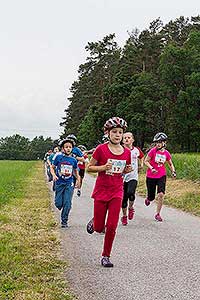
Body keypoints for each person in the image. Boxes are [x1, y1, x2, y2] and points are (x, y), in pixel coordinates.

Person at [87, 117, 132, 268]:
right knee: (99, 228)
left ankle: (106, 256)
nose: (118, 135)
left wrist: (127, 170)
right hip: (101, 190)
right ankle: (95, 221)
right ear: (108, 133)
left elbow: (125, 170)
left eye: (120, 132)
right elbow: (90, 168)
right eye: (114, 132)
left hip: (117, 191)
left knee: (112, 225)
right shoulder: (101, 149)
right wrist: (103, 167)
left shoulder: (126, 152)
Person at [144, 132, 176, 222]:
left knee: (161, 194)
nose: (157, 144)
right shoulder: (153, 151)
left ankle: (158, 214)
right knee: (151, 196)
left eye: (160, 142)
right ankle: (149, 198)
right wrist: (152, 168)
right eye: (156, 142)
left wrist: (173, 171)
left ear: (164, 143)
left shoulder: (166, 153)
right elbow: (146, 161)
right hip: (151, 175)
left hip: (161, 175)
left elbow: (170, 163)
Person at [50, 138, 80, 228]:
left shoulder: (73, 160)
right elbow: (52, 167)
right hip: (59, 182)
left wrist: (78, 179)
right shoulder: (59, 157)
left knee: (67, 202)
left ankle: (64, 221)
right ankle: (60, 205)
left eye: (70, 147)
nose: (68, 149)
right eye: (66, 147)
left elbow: (75, 171)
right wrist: (54, 175)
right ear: (62, 148)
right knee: (58, 203)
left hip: (69, 183)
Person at [121, 132, 144, 225]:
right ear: (122, 140)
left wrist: (141, 164)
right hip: (122, 177)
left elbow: (141, 157)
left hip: (133, 176)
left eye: (128, 137)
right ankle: (124, 216)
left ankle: (131, 208)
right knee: (123, 199)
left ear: (132, 140)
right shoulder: (120, 150)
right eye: (125, 138)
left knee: (131, 193)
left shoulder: (136, 150)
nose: (126, 139)